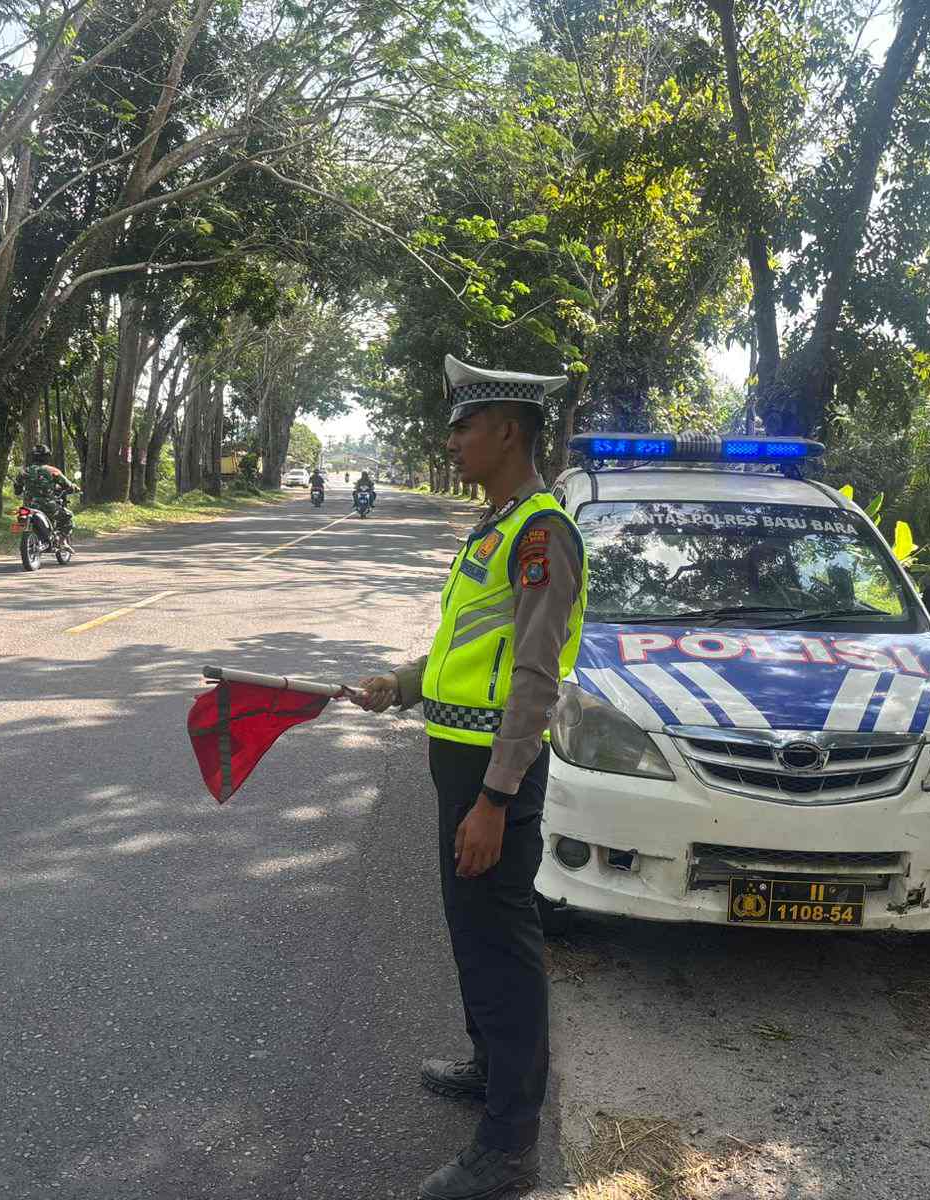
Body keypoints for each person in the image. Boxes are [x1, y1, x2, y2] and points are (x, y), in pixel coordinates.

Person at [353, 354, 586, 1200]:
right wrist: (403, 683)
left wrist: (494, 799)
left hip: (496, 773)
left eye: (464, 426)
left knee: (502, 947)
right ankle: (492, 1068)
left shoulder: (540, 534)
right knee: (471, 934)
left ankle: (510, 1148)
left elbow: (533, 677)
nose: (450, 440)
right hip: (459, 759)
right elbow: (464, 647)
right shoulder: (496, 528)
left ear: (509, 432)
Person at [12, 444, 78, 538]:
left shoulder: (24, 471)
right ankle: (62, 541)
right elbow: (68, 485)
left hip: (28, 506)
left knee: (20, 518)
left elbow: (17, 489)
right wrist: (75, 488)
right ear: (47, 457)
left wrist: (19, 490)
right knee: (68, 516)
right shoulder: (52, 471)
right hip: (48, 506)